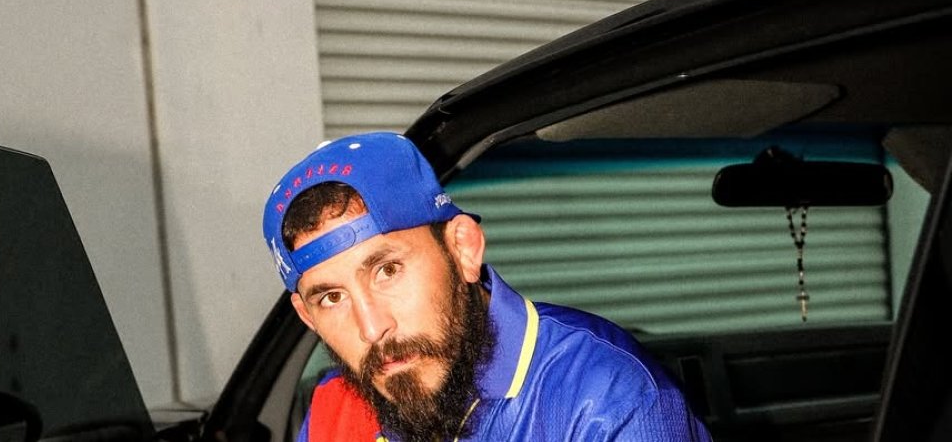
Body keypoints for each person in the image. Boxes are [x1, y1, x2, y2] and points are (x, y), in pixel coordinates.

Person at [263, 131, 712, 441]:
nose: (371, 327)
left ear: (463, 248)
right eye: (332, 297)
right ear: (307, 316)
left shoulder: (606, 398)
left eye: (388, 270)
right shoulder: (335, 411)